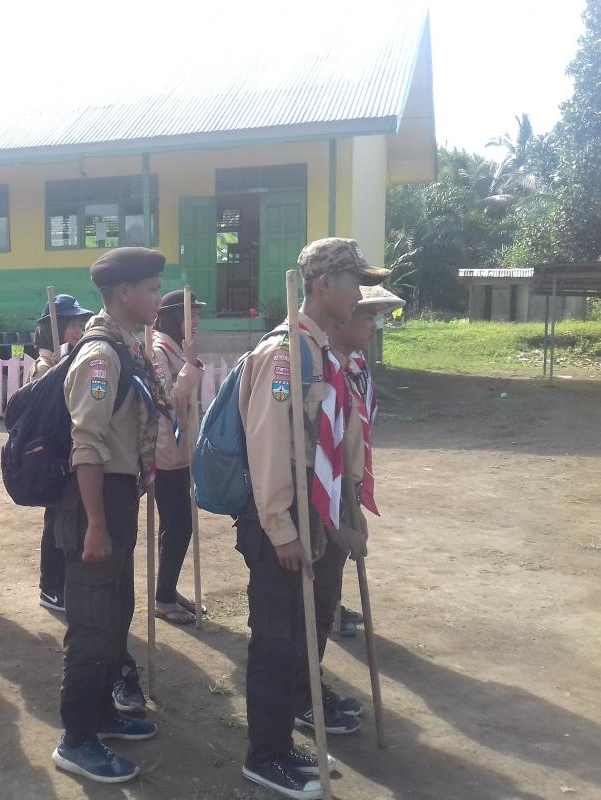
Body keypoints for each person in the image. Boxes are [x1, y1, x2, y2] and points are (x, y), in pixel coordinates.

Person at [236, 238, 387, 799]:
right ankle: (264, 756)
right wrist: (282, 527)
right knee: (276, 638)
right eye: (354, 281)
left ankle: (279, 740)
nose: (360, 293)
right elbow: (269, 446)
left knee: (298, 636)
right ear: (324, 285)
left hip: (309, 509)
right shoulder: (288, 354)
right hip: (283, 513)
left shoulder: (322, 352)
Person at [52, 247, 174, 784]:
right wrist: (98, 525)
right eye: (151, 289)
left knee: (115, 614)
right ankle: (76, 738)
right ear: (124, 294)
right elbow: (87, 444)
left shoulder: (128, 348)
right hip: (93, 504)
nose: (157, 298)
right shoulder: (100, 358)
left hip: (117, 498)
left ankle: (101, 712)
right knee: (91, 625)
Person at [325, 286, 405, 641]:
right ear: (343, 317)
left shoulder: (356, 366)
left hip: (348, 483)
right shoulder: (320, 367)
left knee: (337, 560)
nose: (375, 325)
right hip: (326, 487)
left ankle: (333, 606)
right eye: (368, 316)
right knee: (321, 567)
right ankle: (327, 613)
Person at [30, 294, 93, 612]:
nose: (78, 330)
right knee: (57, 522)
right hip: (53, 456)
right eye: (71, 324)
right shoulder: (44, 367)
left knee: (65, 519)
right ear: (51, 328)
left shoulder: (65, 362)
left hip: (67, 453)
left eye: (80, 324)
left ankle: (60, 582)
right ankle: (50, 586)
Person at [151, 289, 205, 625]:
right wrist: (188, 366)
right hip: (166, 452)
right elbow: (166, 401)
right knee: (179, 525)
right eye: (190, 314)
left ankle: (166, 590)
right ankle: (163, 598)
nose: (196, 321)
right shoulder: (157, 350)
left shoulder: (175, 348)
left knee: (176, 525)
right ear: (173, 317)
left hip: (181, 450)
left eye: (198, 315)